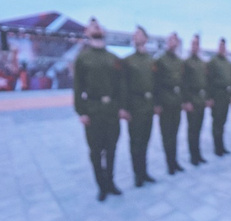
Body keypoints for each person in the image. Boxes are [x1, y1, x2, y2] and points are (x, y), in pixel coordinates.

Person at [71, 20, 124, 201]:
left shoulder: (113, 58)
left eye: (99, 25)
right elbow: (78, 87)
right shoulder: (83, 58)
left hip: (111, 111)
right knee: (95, 152)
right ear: (87, 32)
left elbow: (120, 86)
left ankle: (110, 182)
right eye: (93, 26)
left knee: (111, 150)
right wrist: (82, 111)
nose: (97, 27)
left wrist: (121, 108)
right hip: (93, 110)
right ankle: (101, 186)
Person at [122, 28, 162, 188]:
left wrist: (157, 104)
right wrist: (124, 108)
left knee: (145, 141)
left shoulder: (151, 61)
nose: (135, 36)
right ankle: (137, 175)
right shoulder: (128, 60)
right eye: (134, 34)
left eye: (138, 34)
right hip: (135, 106)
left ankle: (144, 172)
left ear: (145, 38)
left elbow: (156, 84)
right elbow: (123, 86)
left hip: (148, 105)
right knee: (135, 142)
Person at [153, 33, 188, 175]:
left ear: (178, 43)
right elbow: (155, 83)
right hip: (165, 101)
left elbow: (183, 82)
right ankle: (170, 164)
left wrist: (184, 101)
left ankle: (175, 161)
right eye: (170, 40)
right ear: (167, 42)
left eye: (175, 40)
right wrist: (157, 104)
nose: (172, 42)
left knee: (174, 133)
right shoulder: (160, 60)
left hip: (176, 101)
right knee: (166, 134)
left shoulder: (179, 61)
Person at [180, 35, 209, 165]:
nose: (194, 46)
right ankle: (193, 156)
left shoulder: (202, 63)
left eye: (196, 44)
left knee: (198, 128)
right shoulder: (186, 62)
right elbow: (183, 83)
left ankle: (198, 154)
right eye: (192, 44)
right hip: (191, 99)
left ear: (199, 47)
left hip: (201, 99)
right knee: (192, 129)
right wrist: (186, 101)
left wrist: (207, 98)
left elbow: (206, 81)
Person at [207, 39, 231, 155]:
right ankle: (217, 147)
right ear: (217, 48)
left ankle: (221, 145)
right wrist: (209, 98)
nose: (222, 49)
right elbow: (208, 80)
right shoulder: (213, 62)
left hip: (226, 94)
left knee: (223, 121)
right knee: (217, 121)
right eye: (220, 46)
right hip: (217, 95)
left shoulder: (227, 62)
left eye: (224, 47)